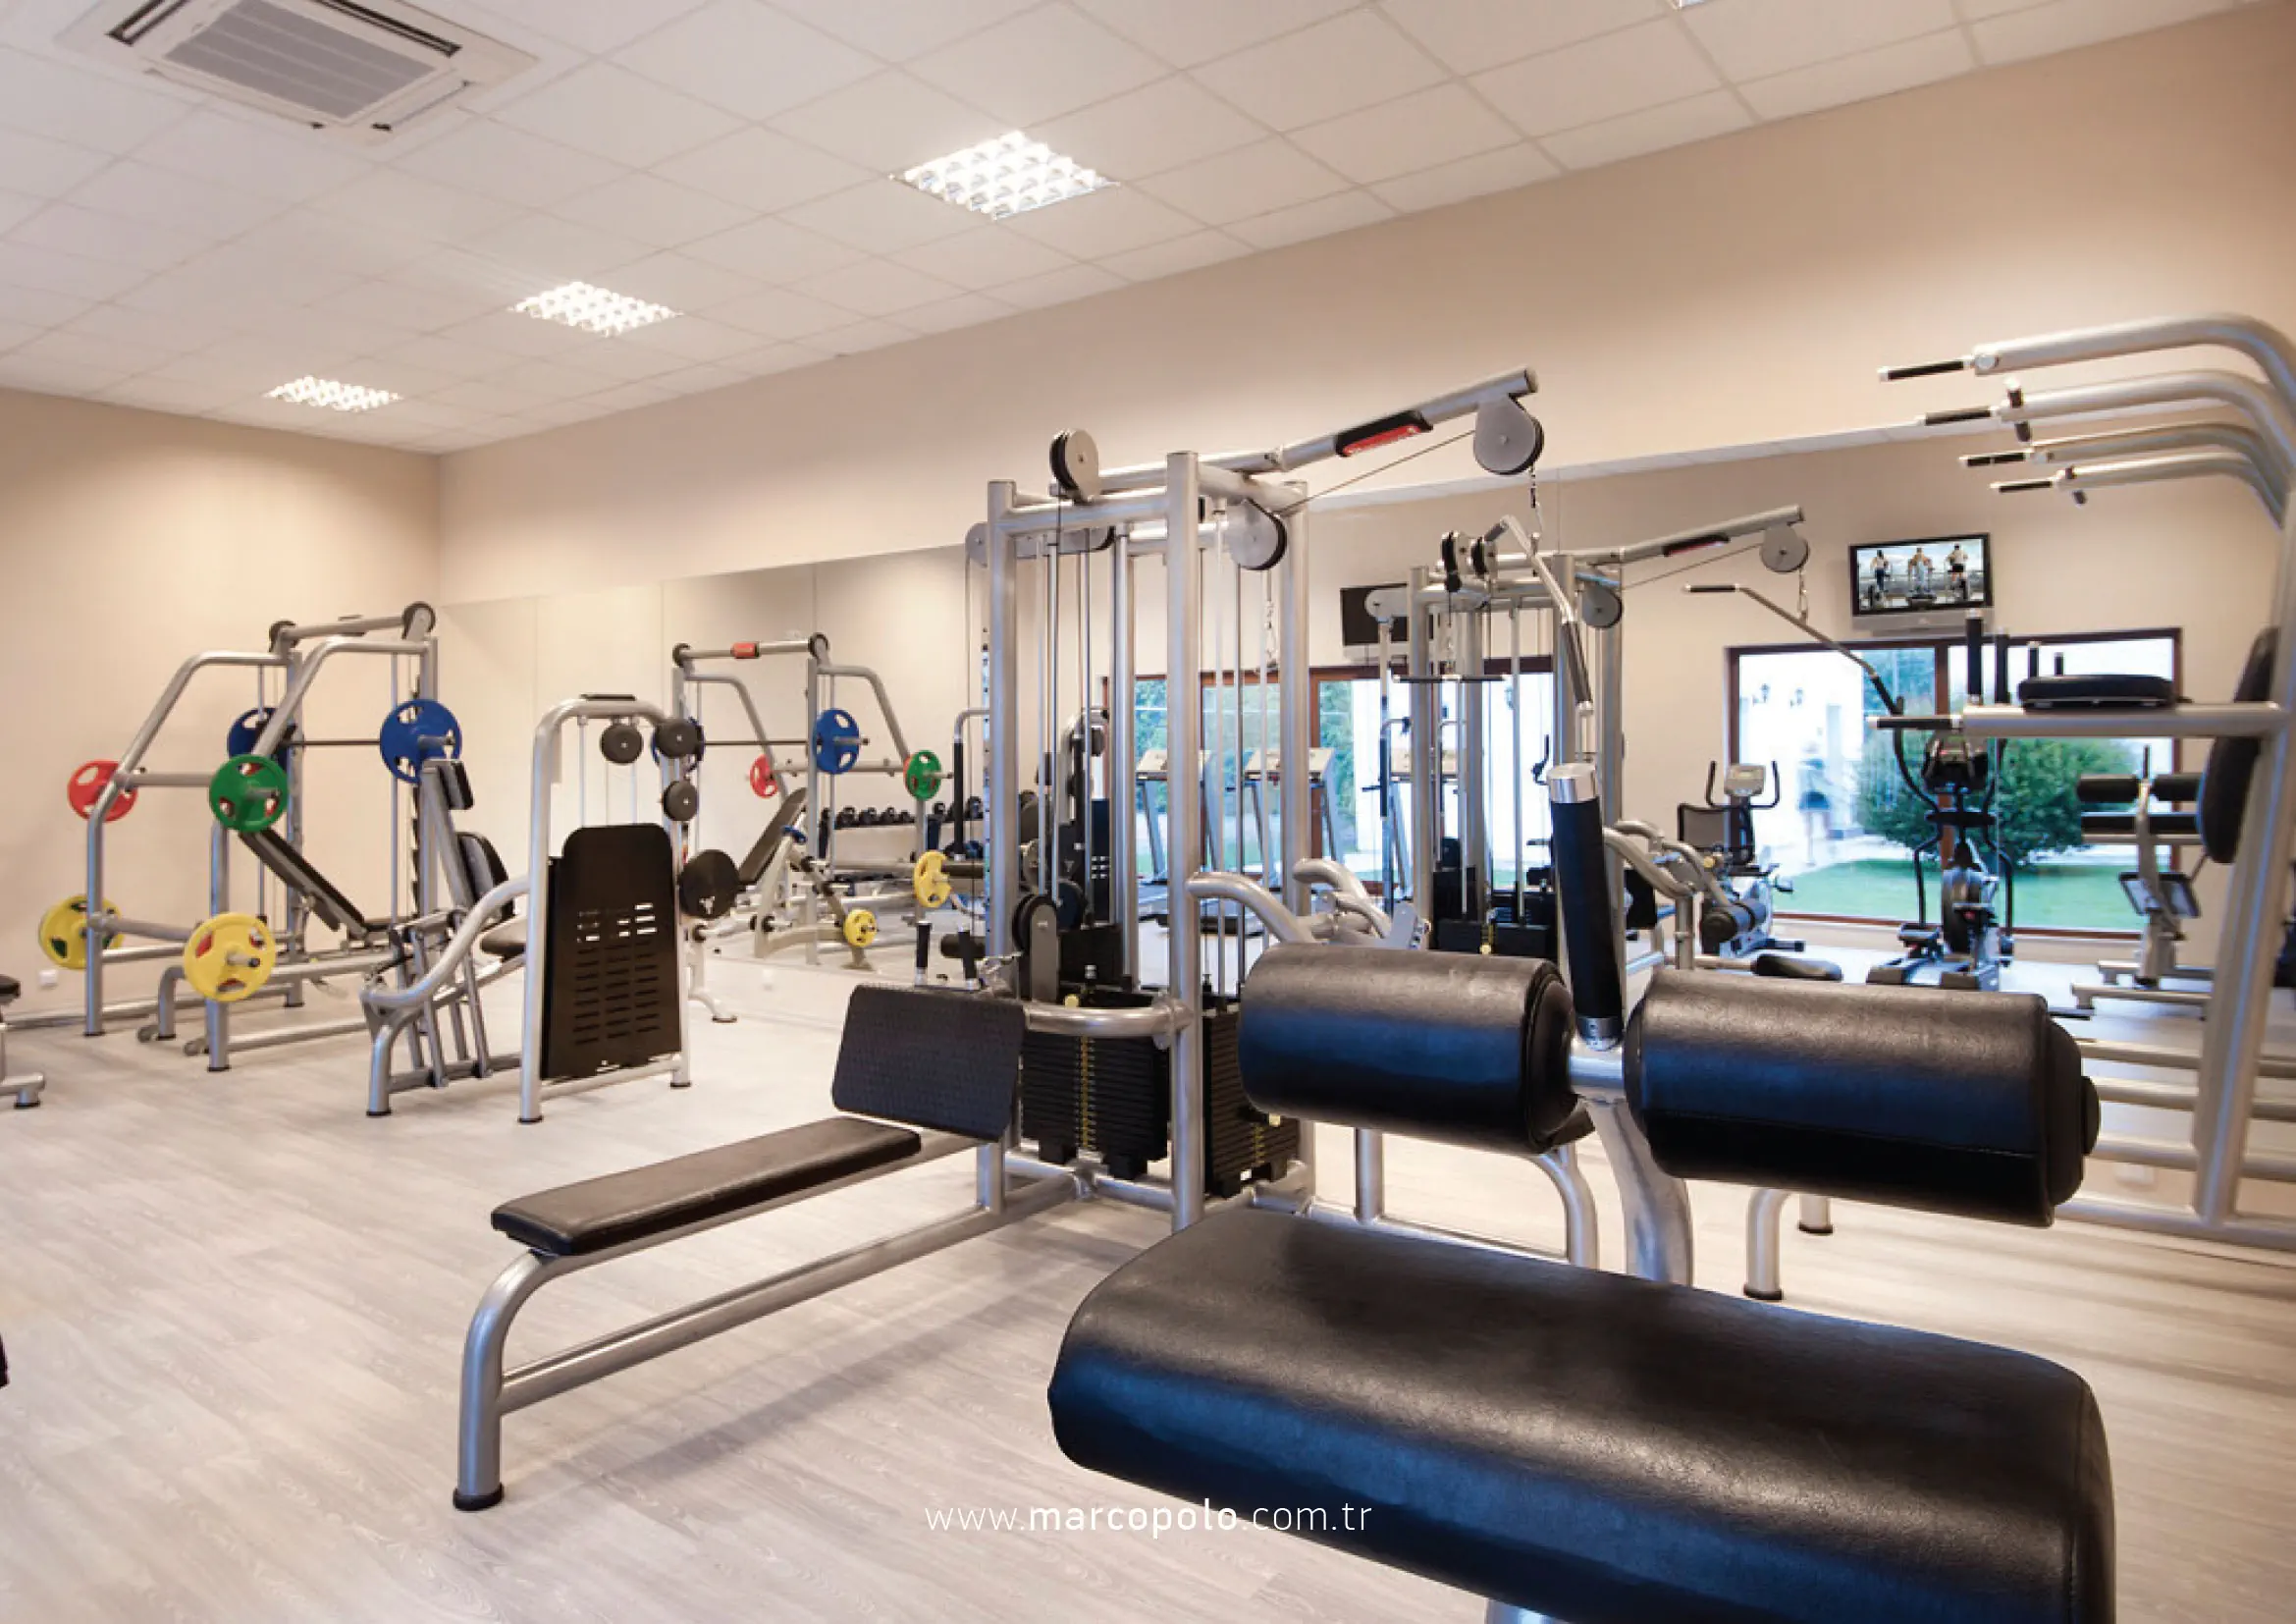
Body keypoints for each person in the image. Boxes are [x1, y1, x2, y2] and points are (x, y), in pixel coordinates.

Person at [1797, 746, 1833, 866]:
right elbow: (1822, 780)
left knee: (1810, 827)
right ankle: (1822, 853)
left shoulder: (1803, 764)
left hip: (1809, 795)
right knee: (1824, 825)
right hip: (1814, 795)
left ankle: (1811, 855)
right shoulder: (1816, 763)